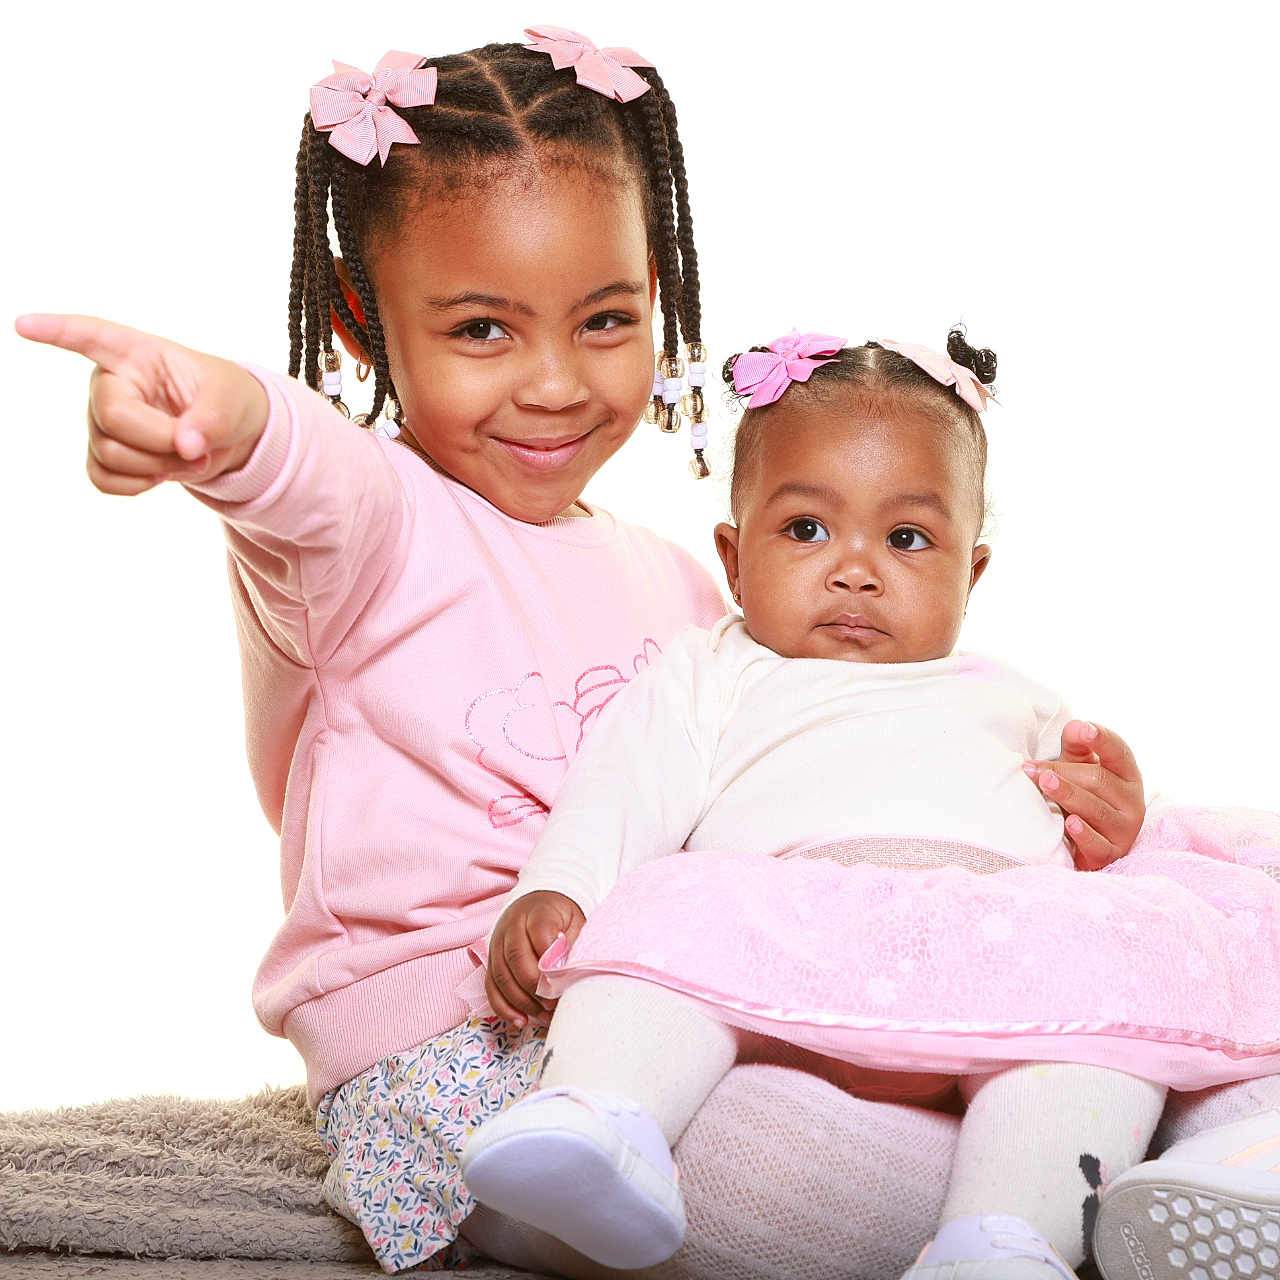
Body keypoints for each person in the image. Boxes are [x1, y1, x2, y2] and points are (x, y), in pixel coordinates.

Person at [13, 24, 1244, 1280]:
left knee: (1068, 1007)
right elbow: (302, 471)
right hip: (461, 1048)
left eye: (603, 319)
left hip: (677, 999)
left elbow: (838, 779)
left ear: (656, 291)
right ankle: (1061, 1217)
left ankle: (1198, 1162)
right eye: (483, 329)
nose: (553, 383)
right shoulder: (381, 529)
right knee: (796, 1167)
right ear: (357, 316)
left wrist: (1078, 816)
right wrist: (219, 424)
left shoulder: (681, 587)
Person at [464, 332, 1280, 1279]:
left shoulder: (1014, 698)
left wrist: (1113, 820)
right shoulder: (716, 670)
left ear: (970, 577)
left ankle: (1004, 1237)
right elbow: (625, 785)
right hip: (785, 953)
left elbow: (1083, 837)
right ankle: (601, 1126)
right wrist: (560, 887)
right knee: (662, 906)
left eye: (906, 539)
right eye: (806, 529)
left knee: (1110, 995)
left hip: (1000, 964)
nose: (856, 570)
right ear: (733, 557)